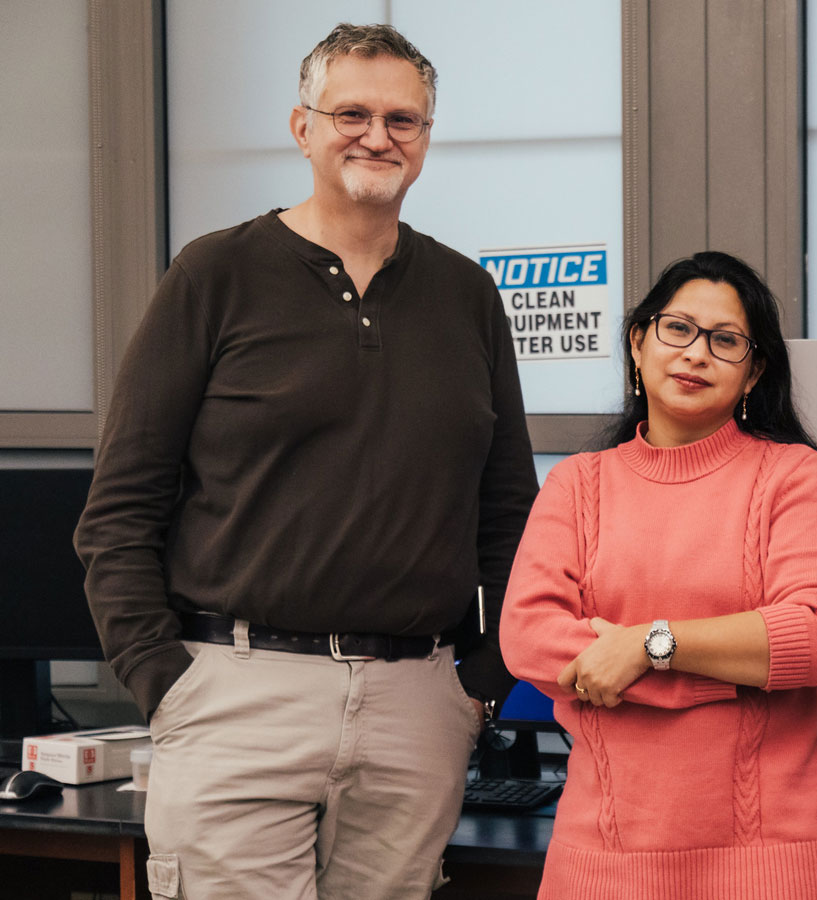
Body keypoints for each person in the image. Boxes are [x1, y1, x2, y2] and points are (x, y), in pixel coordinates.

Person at [73, 23, 537, 900]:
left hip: (419, 705)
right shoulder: (214, 275)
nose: (378, 136)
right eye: (351, 113)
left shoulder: (468, 296)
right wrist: (165, 683)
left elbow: (511, 514)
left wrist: (479, 685)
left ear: (427, 138)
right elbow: (120, 508)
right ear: (302, 126)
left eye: (404, 120)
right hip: (235, 694)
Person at [499, 251, 817, 899]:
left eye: (726, 341)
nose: (696, 353)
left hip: (784, 865)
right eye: (677, 329)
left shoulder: (792, 477)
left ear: (754, 369)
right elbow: (531, 638)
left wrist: (650, 646)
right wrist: (716, 673)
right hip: (606, 863)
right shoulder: (577, 486)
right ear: (637, 342)